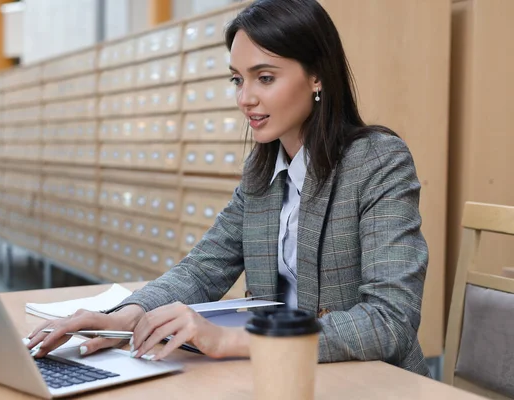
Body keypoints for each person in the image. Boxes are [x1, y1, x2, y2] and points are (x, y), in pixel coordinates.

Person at [28, 0, 430, 376]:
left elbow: (389, 321)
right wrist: (125, 316)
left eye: (265, 78)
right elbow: (204, 268)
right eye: (238, 79)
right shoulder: (263, 172)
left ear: (317, 76)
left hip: (369, 381)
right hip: (279, 376)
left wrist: (230, 340)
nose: (245, 98)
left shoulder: (377, 161)